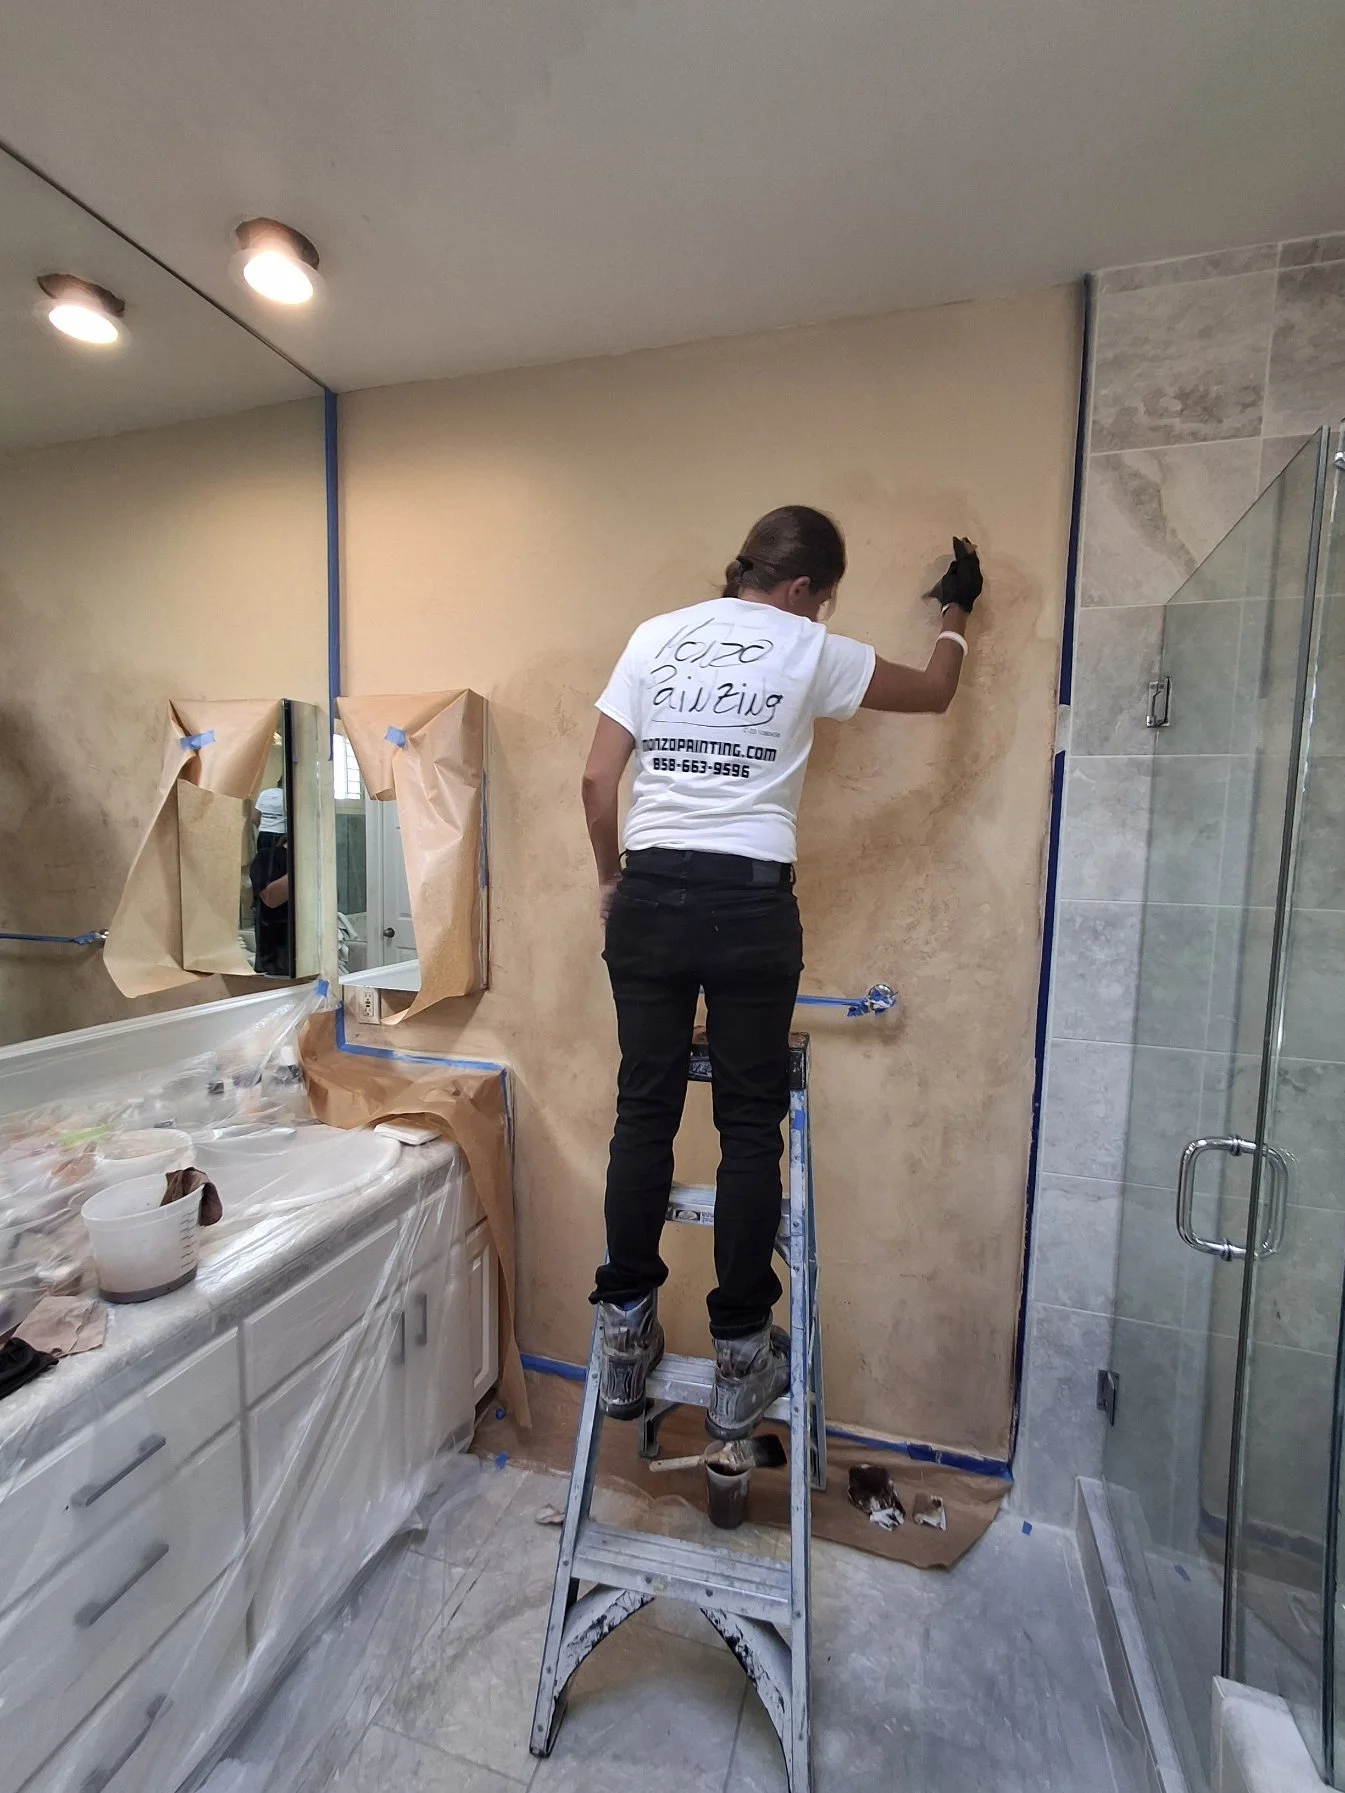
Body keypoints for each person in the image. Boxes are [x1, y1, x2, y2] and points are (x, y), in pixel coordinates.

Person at [581, 505, 982, 1440]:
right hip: (749, 907)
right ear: (800, 588)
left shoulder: (654, 635)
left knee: (642, 1110)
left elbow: (596, 781)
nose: (821, 614)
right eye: (823, 599)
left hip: (650, 896)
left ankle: (624, 1333)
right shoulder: (807, 647)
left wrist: (609, 879)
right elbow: (935, 691)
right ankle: (738, 1354)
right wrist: (956, 612)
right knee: (748, 1124)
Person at [249, 786, 292, 977]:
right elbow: (271, 898)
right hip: (276, 959)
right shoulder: (266, 858)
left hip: (266, 832)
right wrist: (303, 867)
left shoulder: (265, 794)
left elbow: (254, 818)